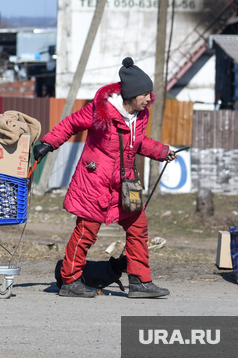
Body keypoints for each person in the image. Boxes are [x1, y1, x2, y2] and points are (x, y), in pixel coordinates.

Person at [33, 57, 177, 299]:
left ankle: (139, 282)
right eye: (144, 94)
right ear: (130, 95)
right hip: (95, 181)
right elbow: (70, 124)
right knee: (86, 231)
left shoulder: (140, 116)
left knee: (138, 226)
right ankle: (69, 280)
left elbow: (138, 143)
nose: (148, 98)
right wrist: (48, 143)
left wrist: (162, 151)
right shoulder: (101, 110)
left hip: (124, 184)